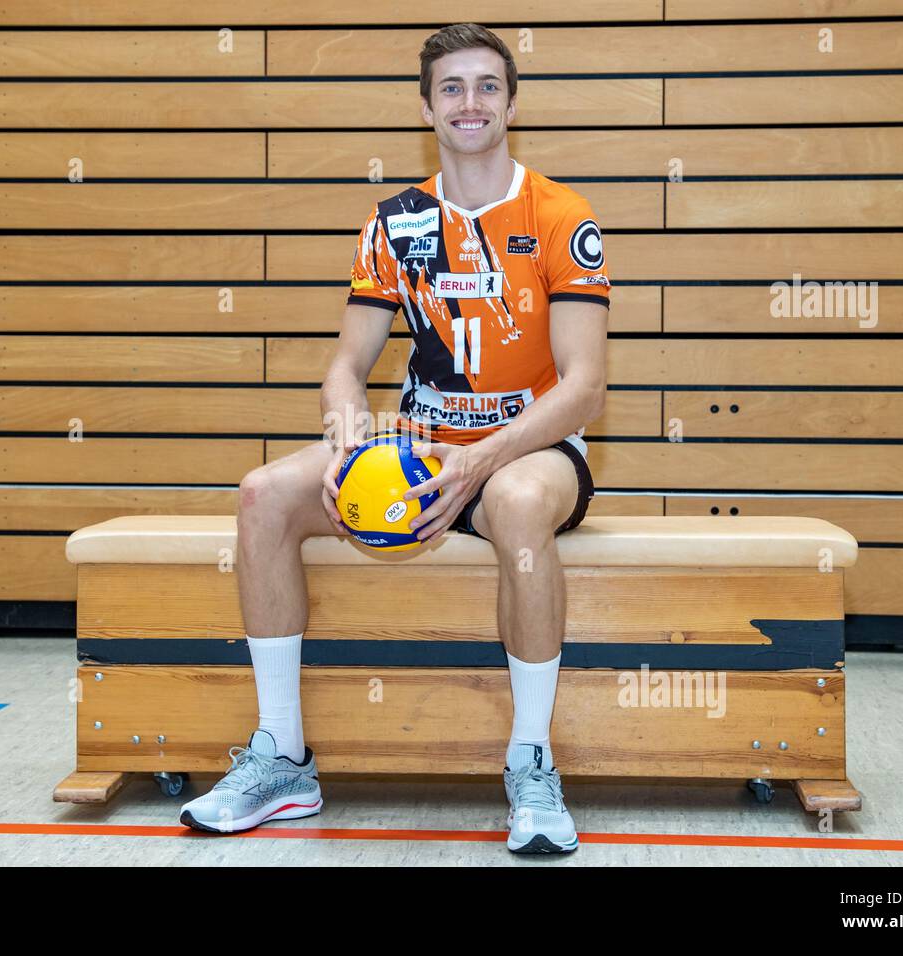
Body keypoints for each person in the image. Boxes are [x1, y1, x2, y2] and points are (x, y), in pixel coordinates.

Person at [179, 22, 610, 854]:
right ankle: (283, 761)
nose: (470, 102)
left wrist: (482, 459)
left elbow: (585, 383)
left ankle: (530, 763)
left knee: (517, 504)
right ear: (426, 107)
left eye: (487, 85)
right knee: (263, 493)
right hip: (418, 446)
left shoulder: (562, 214)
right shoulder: (396, 220)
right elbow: (347, 364)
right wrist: (346, 441)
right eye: (452, 88)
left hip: (530, 450)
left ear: (513, 103)